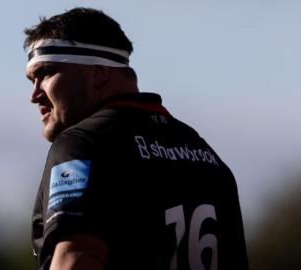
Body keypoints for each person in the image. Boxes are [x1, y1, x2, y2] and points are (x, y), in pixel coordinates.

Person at [24, 7, 249, 270]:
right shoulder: (209, 158)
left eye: (46, 73)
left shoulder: (82, 144)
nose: (34, 94)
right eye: (31, 80)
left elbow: (78, 257)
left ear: (100, 72)